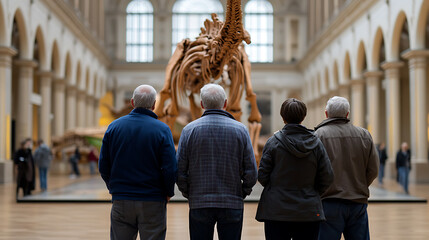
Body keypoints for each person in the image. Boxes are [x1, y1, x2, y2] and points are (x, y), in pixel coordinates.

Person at [177, 83, 258, 240]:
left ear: (201, 104)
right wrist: (242, 192)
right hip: (231, 202)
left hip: (199, 202)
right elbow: (251, 172)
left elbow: (180, 169)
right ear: (225, 103)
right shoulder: (240, 130)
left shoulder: (189, 130)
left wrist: (189, 193)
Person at [99, 84, 177, 240]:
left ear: (133, 102)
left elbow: (103, 165)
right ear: (154, 105)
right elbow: (170, 167)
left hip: (122, 199)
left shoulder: (114, 127)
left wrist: (115, 187)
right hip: (153, 200)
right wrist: (168, 192)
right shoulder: (163, 129)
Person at [256, 98, 334, 240]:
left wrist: (275, 189)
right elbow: (327, 176)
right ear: (303, 117)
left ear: (282, 116)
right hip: (308, 209)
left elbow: (262, 176)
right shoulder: (316, 143)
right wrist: (313, 192)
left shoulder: (273, 142)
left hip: (277, 210)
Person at [314, 96, 379, 240]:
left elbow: (312, 170)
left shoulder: (318, 136)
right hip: (357, 202)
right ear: (347, 114)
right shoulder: (364, 135)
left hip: (328, 202)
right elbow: (373, 169)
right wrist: (359, 184)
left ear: (326, 113)